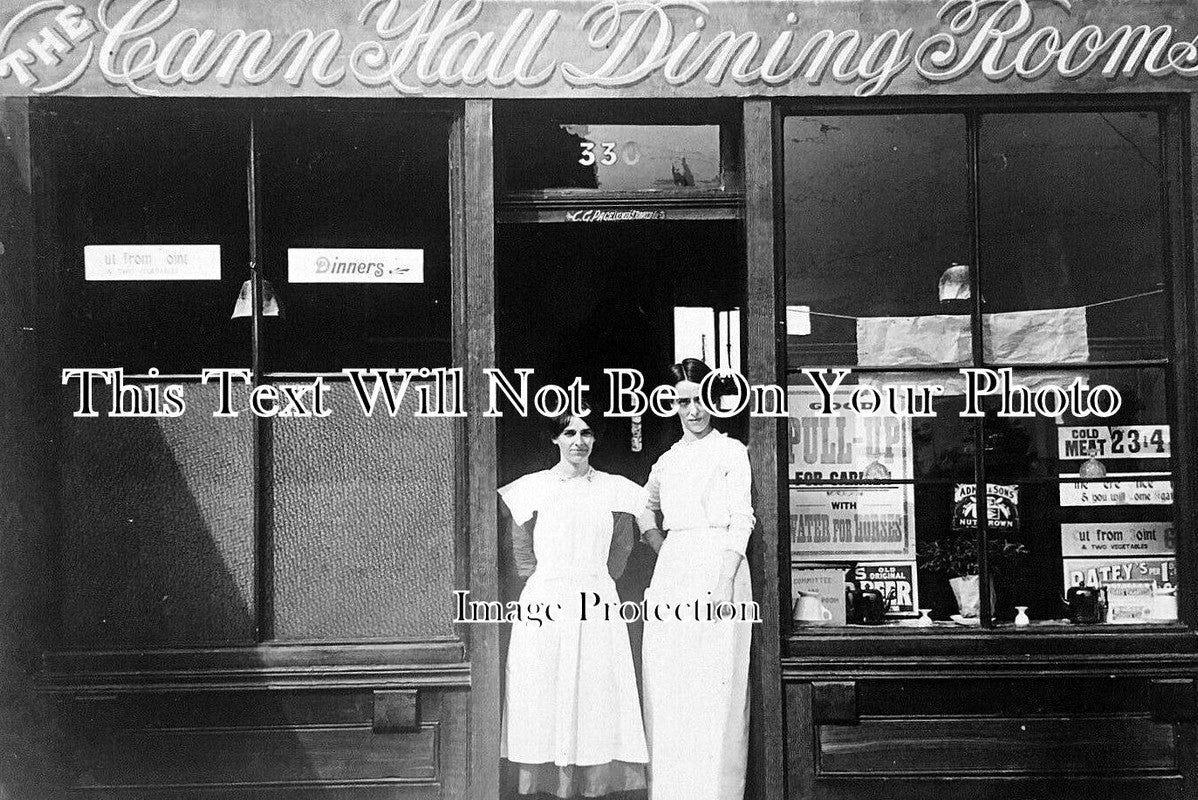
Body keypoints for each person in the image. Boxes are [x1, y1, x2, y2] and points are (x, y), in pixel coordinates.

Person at [498, 407, 649, 798]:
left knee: (596, 692)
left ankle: (595, 785)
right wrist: (548, 583)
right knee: (545, 689)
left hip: (596, 601)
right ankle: (548, 785)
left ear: (595, 438)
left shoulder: (615, 488)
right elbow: (520, 551)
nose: (577, 441)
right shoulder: (533, 487)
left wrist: (595, 581)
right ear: (555, 439)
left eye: (585, 433)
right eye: (568, 433)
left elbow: (622, 546)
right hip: (546, 601)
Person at [636, 359, 755, 800]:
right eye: (683, 400)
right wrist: (661, 545)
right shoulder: (667, 460)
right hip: (675, 567)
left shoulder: (731, 450)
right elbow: (644, 507)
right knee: (670, 684)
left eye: (701, 399)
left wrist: (724, 579)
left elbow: (743, 517)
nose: (693, 410)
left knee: (715, 684)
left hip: (721, 564)